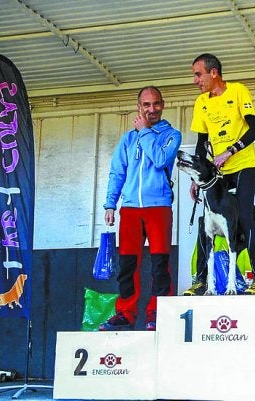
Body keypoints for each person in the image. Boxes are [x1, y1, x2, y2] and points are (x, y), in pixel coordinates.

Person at [183, 53, 255, 296]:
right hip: (218, 172)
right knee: (206, 221)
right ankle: (200, 280)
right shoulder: (201, 102)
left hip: (242, 165)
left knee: (246, 217)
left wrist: (231, 151)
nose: (195, 80)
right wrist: (196, 178)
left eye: (198, 74)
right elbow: (201, 143)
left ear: (213, 73)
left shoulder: (238, 91)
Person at [99, 86, 182, 331]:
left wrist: (144, 131)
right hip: (130, 209)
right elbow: (117, 173)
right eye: (146, 105)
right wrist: (110, 204)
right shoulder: (127, 139)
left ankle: (157, 313)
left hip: (159, 207)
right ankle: (126, 313)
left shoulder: (172, 135)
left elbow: (160, 159)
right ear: (139, 107)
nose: (151, 109)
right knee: (127, 264)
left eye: (156, 104)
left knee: (160, 263)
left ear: (163, 105)